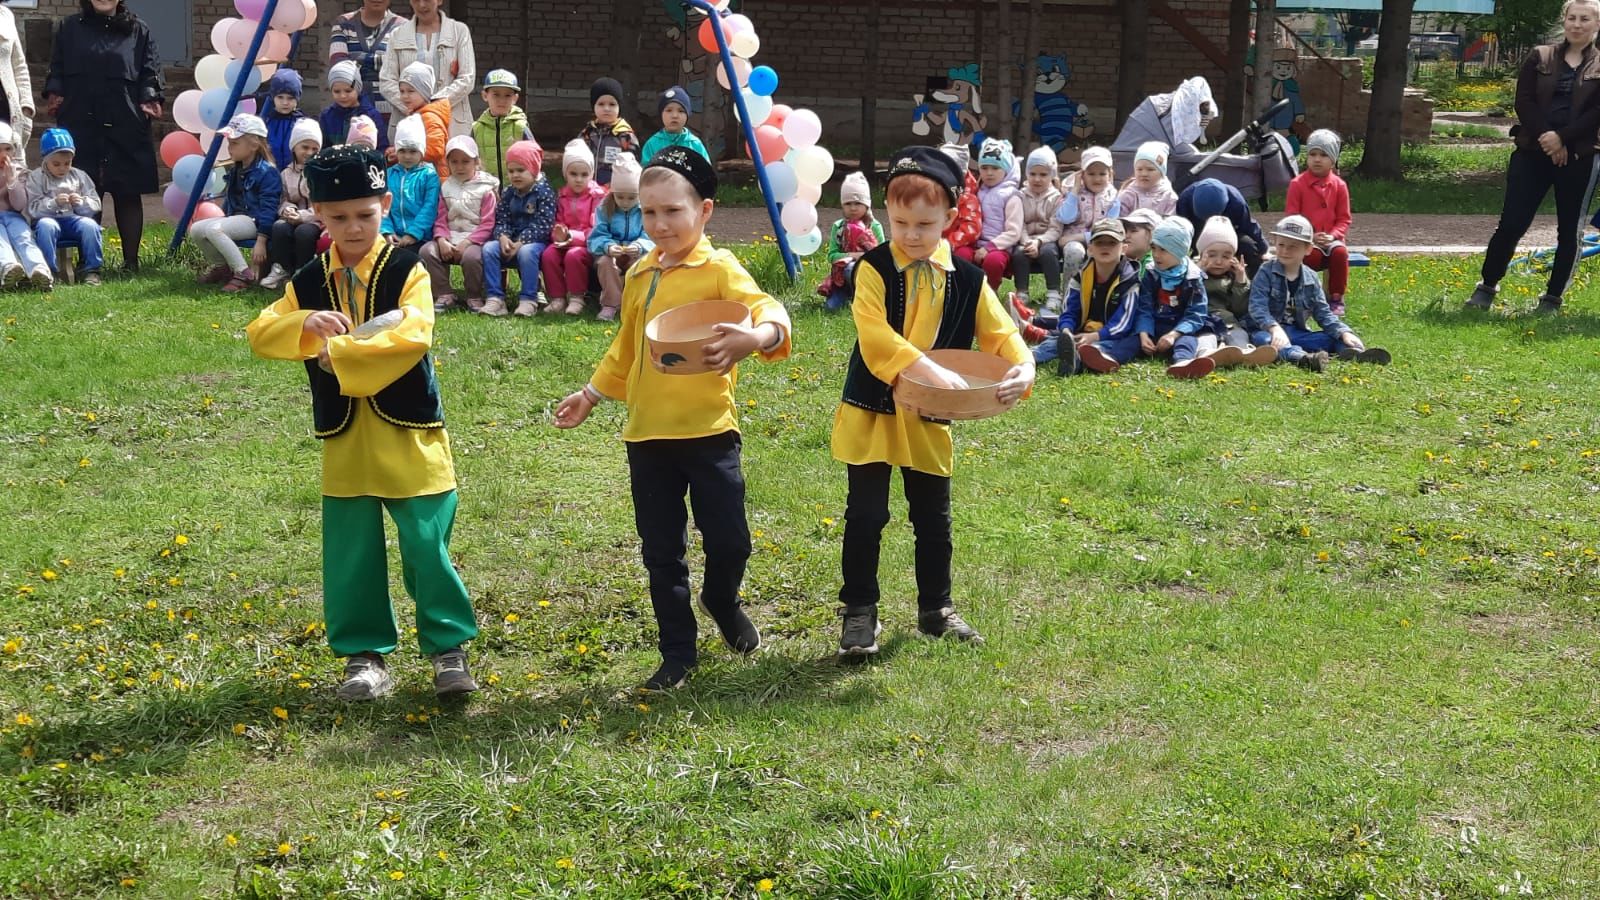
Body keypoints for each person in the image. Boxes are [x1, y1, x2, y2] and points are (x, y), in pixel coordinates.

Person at [245, 144, 480, 702]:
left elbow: (413, 334)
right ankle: (363, 654)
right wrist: (305, 322)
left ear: (385, 204)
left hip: (409, 430)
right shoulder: (305, 281)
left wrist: (340, 356)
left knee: (427, 541)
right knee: (351, 549)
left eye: (365, 215)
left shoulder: (408, 270)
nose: (353, 227)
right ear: (318, 214)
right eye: (339, 216)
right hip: (345, 433)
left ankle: (448, 647)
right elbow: (261, 332)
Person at [553, 146, 792, 692]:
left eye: (672, 212)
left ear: (704, 211)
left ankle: (722, 599)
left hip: (710, 433)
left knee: (730, 542)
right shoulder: (640, 274)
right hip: (648, 437)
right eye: (649, 212)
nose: (660, 224)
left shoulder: (720, 269)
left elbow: (767, 310)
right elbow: (626, 347)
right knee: (662, 551)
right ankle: (678, 652)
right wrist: (591, 393)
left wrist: (756, 337)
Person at [832, 146, 1033, 657]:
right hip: (873, 408)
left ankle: (936, 608)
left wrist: (1024, 366)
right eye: (900, 222)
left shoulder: (968, 278)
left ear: (949, 217)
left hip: (930, 413)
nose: (911, 235)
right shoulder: (873, 270)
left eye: (924, 223)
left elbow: (1000, 332)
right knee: (866, 515)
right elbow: (876, 338)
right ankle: (859, 611)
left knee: (933, 516)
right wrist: (932, 370)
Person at [1470, 0, 1600, 315]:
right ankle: (1486, 288)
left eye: (1585, 19)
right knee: (1512, 222)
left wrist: (1563, 139)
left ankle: (1552, 299)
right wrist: (1548, 138)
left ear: (1596, 24)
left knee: (1570, 231)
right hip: (1532, 151)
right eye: (1572, 18)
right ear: (1564, 21)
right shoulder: (1539, 56)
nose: (1577, 24)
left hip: (1579, 156)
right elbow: (1524, 101)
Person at [44, 0, 164, 272]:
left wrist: (149, 97)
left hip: (125, 120)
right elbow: (57, 66)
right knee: (86, 189)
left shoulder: (138, 30)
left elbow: (150, 71)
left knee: (127, 191)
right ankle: (89, 262)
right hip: (81, 119)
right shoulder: (69, 27)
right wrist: (55, 93)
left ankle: (131, 263)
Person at [1251, 215, 1390, 372]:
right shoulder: (1266, 271)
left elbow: (1323, 313)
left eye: (1292, 247)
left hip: (1298, 333)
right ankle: (1302, 358)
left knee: (1331, 337)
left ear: (1308, 249)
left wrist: (1344, 333)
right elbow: (1258, 308)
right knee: (1263, 341)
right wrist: (1274, 329)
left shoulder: (1310, 277)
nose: (1285, 250)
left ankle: (1352, 353)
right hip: (1269, 331)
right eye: (1281, 245)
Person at [1031, 218, 1139, 376]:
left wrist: (1096, 336)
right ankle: (1029, 356)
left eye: (1112, 243)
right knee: (1058, 341)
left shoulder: (1130, 280)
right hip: (1084, 331)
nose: (1105, 247)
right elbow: (1069, 311)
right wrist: (1066, 330)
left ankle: (1086, 357)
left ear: (1124, 248)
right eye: (1099, 242)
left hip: (1114, 335)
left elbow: (1123, 323)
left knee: (1127, 344)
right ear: (1090, 249)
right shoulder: (1080, 277)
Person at [190, 113, 279, 294]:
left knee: (216, 229)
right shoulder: (237, 168)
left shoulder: (267, 172)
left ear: (254, 145)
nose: (229, 148)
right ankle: (222, 267)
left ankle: (243, 273)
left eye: (235, 143)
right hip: (239, 218)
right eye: (229, 143)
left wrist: (261, 240)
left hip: (255, 221)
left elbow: (269, 209)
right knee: (197, 229)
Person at [422, 135, 497, 313]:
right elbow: (440, 218)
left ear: (476, 162)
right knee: (427, 251)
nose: (460, 166)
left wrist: (468, 242)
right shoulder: (446, 187)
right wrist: (441, 239)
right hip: (450, 237)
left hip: (475, 240)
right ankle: (444, 294)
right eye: (454, 162)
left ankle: (474, 296)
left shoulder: (486, 188)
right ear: (448, 163)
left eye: (465, 161)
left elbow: (488, 223)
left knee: (472, 258)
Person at [1133, 216, 1216, 379]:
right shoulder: (1150, 273)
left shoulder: (1193, 277)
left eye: (1163, 250)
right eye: (1154, 248)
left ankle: (1182, 364)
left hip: (1179, 330)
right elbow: (1144, 307)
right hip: (1153, 327)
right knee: (1130, 342)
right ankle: (1107, 355)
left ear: (1179, 250)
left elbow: (1196, 313)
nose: (1156, 255)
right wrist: (1144, 333)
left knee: (1187, 343)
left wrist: (1174, 335)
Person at [378, 0, 475, 137]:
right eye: (416, 0)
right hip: (408, 125)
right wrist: (411, 105)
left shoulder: (459, 31)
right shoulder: (397, 34)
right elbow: (387, 81)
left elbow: (467, 78)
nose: (422, 5)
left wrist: (435, 105)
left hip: (452, 125)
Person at [481, 139, 556, 317]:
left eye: (521, 170)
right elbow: (502, 218)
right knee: (489, 249)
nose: (515, 175)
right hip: (510, 241)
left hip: (536, 243)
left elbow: (544, 224)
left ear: (534, 169)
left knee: (527, 252)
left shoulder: (544, 193)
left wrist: (521, 242)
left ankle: (529, 299)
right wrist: (503, 237)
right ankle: (495, 298)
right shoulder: (508, 192)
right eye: (511, 171)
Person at [1284, 130, 1353, 314]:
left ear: (1333, 159)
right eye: (1313, 154)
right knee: (1310, 256)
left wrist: (1333, 236)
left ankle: (1336, 297)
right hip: (1305, 240)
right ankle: (1302, 297)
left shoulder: (1339, 186)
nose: (1317, 159)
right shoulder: (1297, 184)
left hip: (1332, 240)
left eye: (1323, 155)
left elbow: (1344, 219)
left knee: (1339, 253)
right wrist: (1309, 236)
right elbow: (1292, 217)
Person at [1195, 216, 1275, 368]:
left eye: (1226, 256)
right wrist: (1198, 273)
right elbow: (1188, 296)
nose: (1218, 261)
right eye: (1211, 255)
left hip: (1229, 323)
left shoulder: (1232, 278)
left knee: (1239, 334)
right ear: (1201, 254)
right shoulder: (1192, 273)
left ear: (1234, 257)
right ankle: (1205, 355)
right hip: (1204, 323)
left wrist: (1240, 281)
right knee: (1206, 338)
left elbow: (1240, 309)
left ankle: (1244, 353)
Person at [28, 127, 103, 287]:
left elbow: (95, 203)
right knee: (47, 226)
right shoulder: (36, 177)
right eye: (56, 164)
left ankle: (91, 270)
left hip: (72, 219)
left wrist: (81, 203)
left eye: (67, 163)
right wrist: (54, 203)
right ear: (45, 160)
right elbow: (32, 208)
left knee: (90, 226)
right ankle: (48, 271)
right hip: (47, 219)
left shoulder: (79, 176)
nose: (62, 168)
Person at [542, 139, 605, 316]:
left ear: (591, 174)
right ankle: (557, 298)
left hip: (587, 245)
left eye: (584, 174)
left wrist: (572, 237)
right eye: (573, 174)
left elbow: (596, 227)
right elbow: (558, 221)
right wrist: (559, 234)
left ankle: (577, 297)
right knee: (549, 255)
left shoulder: (597, 196)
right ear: (565, 174)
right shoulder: (562, 195)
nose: (579, 179)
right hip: (566, 241)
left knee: (573, 256)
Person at [587, 152, 652, 322]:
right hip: (611, 253)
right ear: (612, 193)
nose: (624, 202)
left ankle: (635, 302)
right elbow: (596, 235)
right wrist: (608, 246)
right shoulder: (604, 207)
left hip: (636, 252)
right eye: (620, 197)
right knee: (605, 264)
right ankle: (610, 304)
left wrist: (640, 245)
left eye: (631, 198)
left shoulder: (645, 208)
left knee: (641, 265)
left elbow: (651, 234)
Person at [262, 118, 323, 291]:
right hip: (292, 217)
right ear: (294, 147)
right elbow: (283, 199)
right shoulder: (286, 173)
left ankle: (301, 271)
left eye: (314, 149)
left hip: (315, 219)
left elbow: (322, 206)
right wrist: (288, 209)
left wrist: (303, 216)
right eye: (305, 147)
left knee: (305, 232)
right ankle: (282, 267)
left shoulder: (320, 174)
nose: (309, 152)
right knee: (279, 227)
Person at [328, 0, 405, 130]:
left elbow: (402, 66)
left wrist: (356, 60)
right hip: (350, 110)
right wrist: (383, 63)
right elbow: (339, 66)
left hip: (390, 110)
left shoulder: (403, 27)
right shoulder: (343, 24)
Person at [958, 137, 1022, 290]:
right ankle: (964, 293)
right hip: (973, 244)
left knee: (993, 262)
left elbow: (1014, 232)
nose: (989, 173)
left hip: (998, 247)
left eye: (995, 168)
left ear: (1006, 170)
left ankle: (990, 294)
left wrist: (989, 248)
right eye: (984, 168)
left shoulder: (1011, 196)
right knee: (960, 255)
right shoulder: (977, 190)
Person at [1055, 146, 1119, 294]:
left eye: (1102, 174)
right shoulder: (1072, 193)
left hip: (1100, 239)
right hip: (1072, 242)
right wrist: (1075, 191)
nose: (1097, 178)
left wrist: (1081, 237)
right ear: (1082, 175)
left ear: (1110, 175)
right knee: (1075, 251)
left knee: (1098, 254)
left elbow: (1110, 228)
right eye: (1091, 174)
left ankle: (1095, 295)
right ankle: (1070, 295)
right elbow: (1065, 217)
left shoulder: (1113, 197)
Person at [817, 171, 883, 311]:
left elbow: (883, 256)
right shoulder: (839, 227)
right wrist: (852, 256)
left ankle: (863, 298)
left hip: (868, 278)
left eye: (858, 203)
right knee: (830, 308)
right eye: (848, 203)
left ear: (867, 205)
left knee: (851, 268)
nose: (853, 208)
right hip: (840, 280)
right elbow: (832, 256)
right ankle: (847, 295)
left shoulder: (874, 226)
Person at [1176, 177, 1268, 275]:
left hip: (1229, 235)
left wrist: (1263, 248)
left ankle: (1251, 281)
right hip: (1199, 234)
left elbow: (1248, 224)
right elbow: (1183, 231)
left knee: (1249, 246)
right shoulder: (1184, 200)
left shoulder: (1236, 201)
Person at [1011, 146, 1063, 310]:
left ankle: (1054, 292)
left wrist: (1039, 242)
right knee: (1019, 253)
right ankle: (1022, 292)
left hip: (1047, 239)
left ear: (1052, 175)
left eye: (1043, 175)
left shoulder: (1056, 197)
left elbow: (1056, 228)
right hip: (1025, 237)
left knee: (1048, 253)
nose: (1037, 179)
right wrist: (1027, 242)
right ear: (1026, 174)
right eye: (1033, 174)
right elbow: (1019, 223)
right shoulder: (1020, 195)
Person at [381, 115, 440, 251]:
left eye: (413, 151)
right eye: (402, 151)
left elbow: (430, 208)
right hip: (393, 235)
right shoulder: (389, 174)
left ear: (422, 151)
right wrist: (386, 231)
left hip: (421, 237)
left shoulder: (429, 176)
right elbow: (382, 206)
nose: (407, 156)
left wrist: (413, 234)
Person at [0, 122, 46, 290]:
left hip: (14, 216)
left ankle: (38, 269)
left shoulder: (19, 171)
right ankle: (9, 268)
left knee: (23, 237)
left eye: (8, 149)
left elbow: (19, 205)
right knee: (1, 239)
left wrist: (12, 181)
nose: (3, 155)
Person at [471, 68, 532, 187]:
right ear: (485, 96)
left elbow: (533, 158)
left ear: (515, 98)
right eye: (496, 95)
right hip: (486, 191)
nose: (502, 100)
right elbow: (470, 160)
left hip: (516, 191)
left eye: (507, 95)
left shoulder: (520, 127)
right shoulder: (477, 128)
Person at [580, 77, 640, 186]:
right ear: (593, 106)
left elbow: (632, 166)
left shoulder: (625, 135)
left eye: (612, 104)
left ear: (619, 107)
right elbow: (577, 158)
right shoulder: (587, 133)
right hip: (588, 188)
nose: (606, 108)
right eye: (601, 104)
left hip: (615, 190)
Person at [394, 61, 451, 176]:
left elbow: (436, 149)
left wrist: (404, 154)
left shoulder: (430, 117)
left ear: (424, 92)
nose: (405, 96)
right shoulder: (415, 115)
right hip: (422, 176)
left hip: (435, 177)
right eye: (402, 91)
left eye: (411, 91)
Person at [321, 60, 388, 152]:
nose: (343, 96)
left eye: (348, 91)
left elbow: (381, 147)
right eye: (337, 91)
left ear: (358, 89)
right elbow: (323, 147)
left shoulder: (371, 115)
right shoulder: (327, 116)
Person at [0, 0, 35, 166]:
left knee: (12, 180)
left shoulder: (5, 15)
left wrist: (26, 107)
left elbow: (19, 65)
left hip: (8, 115)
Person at [640, 85, 709, 164]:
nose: (674, 115)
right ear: (661, 114)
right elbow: (646, 173)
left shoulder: (695, 144)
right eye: (669, 110)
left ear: (687, 115)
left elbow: (706, 173)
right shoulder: (652, 144)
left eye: (681, 111)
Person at [939, 142, 983, 259]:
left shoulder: (968, 199)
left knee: (963, 254)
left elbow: (972, 228)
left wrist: (949, 242)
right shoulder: (935, 192)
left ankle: (962, 277)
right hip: (934, 241)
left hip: (959, 244)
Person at [1116, 141, 1177, 216]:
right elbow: (1119, 219)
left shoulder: (1168, 196)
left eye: (1150, 169)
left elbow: (1170, 222)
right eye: (1139, 169)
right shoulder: (1128, 193)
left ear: (1161, 173)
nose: (1144, 174)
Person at [262, 68, 306, 172]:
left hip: (294, 175)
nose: (285, 102)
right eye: (280, 97)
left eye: (290, 98)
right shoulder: (266, 121)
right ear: (273, 97)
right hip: (270, 175)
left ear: (297, 98)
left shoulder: (302, 123)